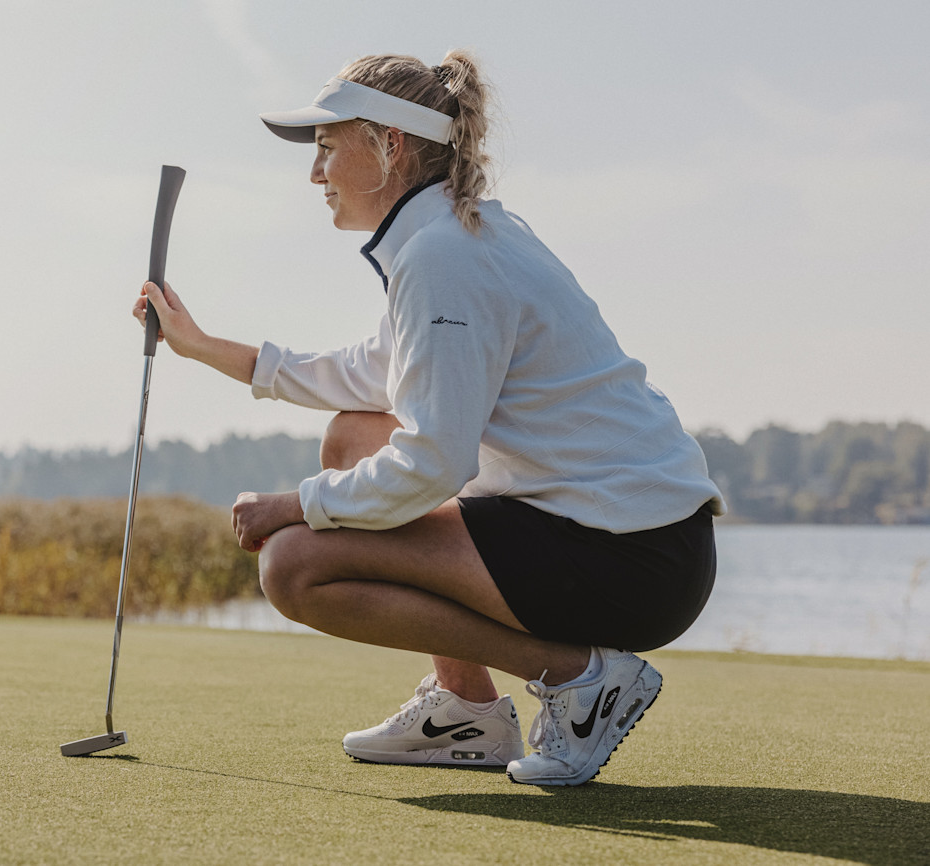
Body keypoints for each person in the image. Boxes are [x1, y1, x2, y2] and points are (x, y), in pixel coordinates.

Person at [131, 50, 724, 787]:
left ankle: (579, 679)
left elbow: (435, 463)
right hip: (628, 539)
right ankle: (467, 710)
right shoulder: (451, 236)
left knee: (294, 566)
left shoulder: (445, 254)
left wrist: (295, 506)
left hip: (631, 559)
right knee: (352, 432)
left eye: (326, 148)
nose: (315, 175)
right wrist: (202, 346)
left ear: (391, 145)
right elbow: (366, 375)